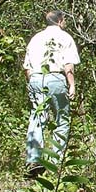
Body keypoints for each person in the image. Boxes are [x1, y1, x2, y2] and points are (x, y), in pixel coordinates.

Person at [23, 10, 80, 176]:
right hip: (56, 78)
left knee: (37, 118)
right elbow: (68, 65)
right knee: (62, 120)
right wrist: (72, 85)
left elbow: (27, 67)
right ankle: (55, 161)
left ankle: (34, 158)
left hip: (36, 79)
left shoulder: (35, 38)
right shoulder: (65, 37)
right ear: (60, 21)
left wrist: (33, 83)